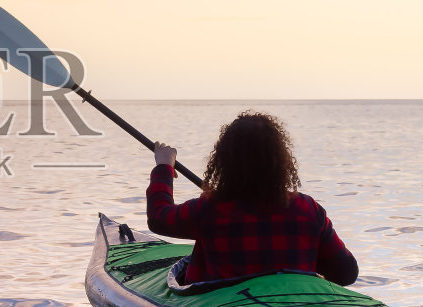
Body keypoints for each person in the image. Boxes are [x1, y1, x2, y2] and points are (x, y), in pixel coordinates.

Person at [148, 111, 358, 287]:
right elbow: (346, 273)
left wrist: (164, 166)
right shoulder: (308, 210)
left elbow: (159, 217)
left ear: (223, 162)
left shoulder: (211, 209)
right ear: (280, 161)